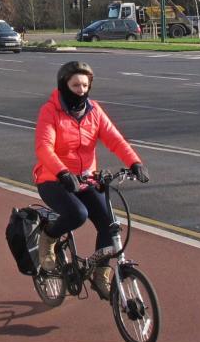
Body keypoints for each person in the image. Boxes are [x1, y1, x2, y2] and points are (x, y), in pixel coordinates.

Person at [33, 61, 149, 299]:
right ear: (64, 84)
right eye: (76, 85)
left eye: (85, 85)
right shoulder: (50, 111)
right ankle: (49, 237)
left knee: (110, 224)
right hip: (53, 179)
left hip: (86, 180)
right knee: (78, 214)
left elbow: (115, 139)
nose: (81, 90)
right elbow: (44, 147)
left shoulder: (93, 110)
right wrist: (63, 172)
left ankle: (100, 273)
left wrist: (134, 163)